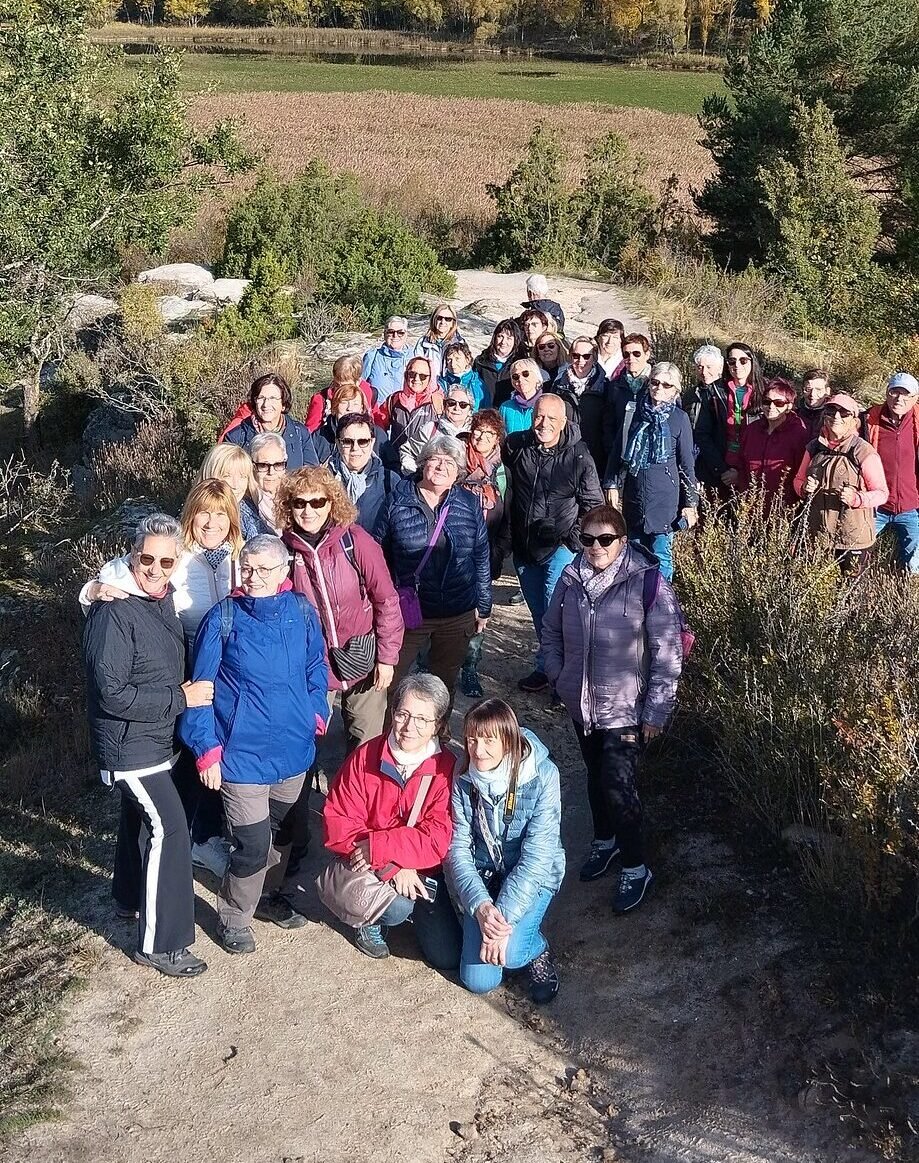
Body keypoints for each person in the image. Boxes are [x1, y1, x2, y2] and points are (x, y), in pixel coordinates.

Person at [180, 534, 329, 953]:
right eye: (246, 568)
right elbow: (201, 689)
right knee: (251, 843)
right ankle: (234, 917)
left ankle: (267, 896)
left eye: (264, 569)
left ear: (284, 571)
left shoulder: (302, 612)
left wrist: (316, 713)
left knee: (283, 833)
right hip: (240, 756)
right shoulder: (223, 618)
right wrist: (206, 750)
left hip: (294, 751)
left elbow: (316, 667)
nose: (253, 577)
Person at [83, 513, 214, 977]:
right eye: (146, 559)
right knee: (171, 830)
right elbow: (112, 693)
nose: (155, 568)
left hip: (154, 739)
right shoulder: (114, 610)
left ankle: (127, 897)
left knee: (138, 820)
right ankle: (162, 944)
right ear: (131, 555)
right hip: (128, 747)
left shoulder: (161, 598)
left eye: (166, 561)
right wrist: (182, 698)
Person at [542, 504, 683, 913]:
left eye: (605, 539)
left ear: (622, 540)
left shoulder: (647, 581)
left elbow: (667, 651)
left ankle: (636, 866)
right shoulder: (571, 578)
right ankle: (605, 842)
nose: (596, 547)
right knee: (594, 775)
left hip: (626, 707)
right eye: (588, 539)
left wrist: (656, 711)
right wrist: (558, 674)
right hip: (582, 705)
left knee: (618, 785)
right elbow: (550, 630)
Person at [322, 674, 456, 960]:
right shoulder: (365, 757)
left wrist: (383, 848)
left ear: (438, 725)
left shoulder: (446, 769)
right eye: (403, 714)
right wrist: (391, 867)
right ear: (392, 712)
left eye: (422, 719)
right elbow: (339, 823)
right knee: (398, 908)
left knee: (446, 956)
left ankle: (407, 904)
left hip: (421, 868)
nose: (409, 727)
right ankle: (371, 920)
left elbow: (438, 840)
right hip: (368, 863)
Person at [441, 699, 564, 1002]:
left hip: (533, 877)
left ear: (508, 740)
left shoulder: (543, 775)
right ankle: (496, 933)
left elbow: (538, 857)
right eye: (471, 739)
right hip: (485, 876)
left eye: (488, 740)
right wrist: (481, 907)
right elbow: (458, 849)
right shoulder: (462, 775)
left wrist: (501, 920)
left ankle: (535, 948)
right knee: (479, 981)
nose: (478, 750)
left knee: (510, 954)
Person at [276, 466, 403, 752]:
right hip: (312, 664)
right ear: (289, 506)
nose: (308, 510)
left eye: (317, 502)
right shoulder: (283, 552)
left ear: (332, 503)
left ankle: (355, 783)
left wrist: (387, 658)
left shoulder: (355, 541)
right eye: (299, 503)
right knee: (305, 739)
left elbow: (386, 600)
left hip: (361, 657)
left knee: (365, 743)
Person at [374, 434, 492, 721]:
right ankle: (389, 733)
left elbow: (480, 555)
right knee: (390, 683)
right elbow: (378, 556)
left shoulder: (468, 503)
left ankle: (437, 732)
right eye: (435, 459)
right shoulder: (397, 501)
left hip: (457, 611)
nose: (441, 466)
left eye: (449, 462)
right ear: (422, 463)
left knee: (443, 683)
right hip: (409, 613)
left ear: (459, 471)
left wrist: (484, 604)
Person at [503, 393, 604, 693]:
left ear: (563, 422)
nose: (543, 423)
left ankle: (566, 676)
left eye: (551, 418)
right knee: (539, 612)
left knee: (556, 610)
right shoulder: (517, 446)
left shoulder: (578, 455)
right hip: (525, 547)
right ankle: (546, 666)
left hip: (560, 547)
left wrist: (571, 541)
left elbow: (593, 504)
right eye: (538, 416)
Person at [605, 363, 698, 582]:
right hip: (635, 496)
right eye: (655, 382)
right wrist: (611, 483)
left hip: (665, 500)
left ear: (675, 390)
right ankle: (638, 597)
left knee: (661, 555)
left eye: (666, 385)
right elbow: (618, 450)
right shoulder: (633, 412)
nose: (659, 388)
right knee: (634, 556)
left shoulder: (679, 418)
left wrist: (690, 503)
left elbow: (687, 465)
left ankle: (660, 597)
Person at [794, 392, 889, 575]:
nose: (836, 416)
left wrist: (857, 499)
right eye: (831, 411)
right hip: (818, 536)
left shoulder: (863, 450)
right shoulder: (814, 447)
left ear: (854, 420)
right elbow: (798, 481)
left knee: (851, 589)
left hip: (854, 539)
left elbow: (881, 493)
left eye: (844, 413)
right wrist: (804, 487)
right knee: (816, 586)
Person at [458, 409, 510, 698]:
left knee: (479, 614)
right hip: (452, 552)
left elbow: (507, 518)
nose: (480, 437)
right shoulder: (457, 462)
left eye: (488, 433)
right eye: (477, 431)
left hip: (484, 554)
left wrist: (498, 553)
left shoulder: (502, 473)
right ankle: (428, 665)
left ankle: (470, 668)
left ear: (497, 438)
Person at [863, 372, 919, 572]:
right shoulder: (868, 420)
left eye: (906, 394)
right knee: (856, 553)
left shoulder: (917, 422)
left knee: (913, 566)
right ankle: (858, 587)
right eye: (894, 392)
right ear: (887, 393)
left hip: (912, 507)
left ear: (915, 398)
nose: (899, 398)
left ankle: (906, 590)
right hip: (876, 506)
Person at [222, 373, 319, 470]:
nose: (266, 404)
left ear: (283, 404)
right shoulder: (236, 438)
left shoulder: (300, 433)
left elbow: (311, 473)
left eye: (272, 398)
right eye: (261, 398)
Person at [739, 377, 809, 508]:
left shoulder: (798, 434)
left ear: (789, 406)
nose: (771, 407)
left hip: (783, 506)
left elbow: (801, 473)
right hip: (750, 504)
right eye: (767, 402)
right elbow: (742, 465)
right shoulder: (751, 430)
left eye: (779, 403)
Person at [326, 412, 399, 534]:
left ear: (372, 442)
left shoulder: (389, 481)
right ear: (338, 443)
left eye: (362, 441)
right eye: (347, 441)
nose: (355, 448)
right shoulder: (324, 480)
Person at [377, 356, 444, 477]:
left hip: (426, 468)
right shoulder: (394, 399)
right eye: (412, 374)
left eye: (423, 376)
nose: (416, 379)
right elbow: (379, 425)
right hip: (396, 466)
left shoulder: (438, 402)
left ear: (431, 378)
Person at [553, 336, 609, 475]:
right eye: (576, 356)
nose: (581, 361)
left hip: (595, 459)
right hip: (565, 459)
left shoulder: (606, 387)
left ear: (594, 358)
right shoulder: (558, 386)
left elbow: (609, 427)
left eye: (586, 356)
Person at [603, 333, 653, 476]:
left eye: (636, 353)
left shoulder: (657, 385)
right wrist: (611, 449)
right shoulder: (615, 386)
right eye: (626, 354)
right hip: (620, 458)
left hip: (647, 462)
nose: (631, 358)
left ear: (647, 354)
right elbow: (608, 422)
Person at [198, 443, 271, 539]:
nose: (235, 485)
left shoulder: (252, 513)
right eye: (227, 476)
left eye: (243, 477)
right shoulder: (194, 516)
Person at [689, 344, 730, 489]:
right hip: (698, 462)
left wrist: (722, 468)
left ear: (720, 368)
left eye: (709, 367)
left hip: (724, 464)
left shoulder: (728, 394)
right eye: (700, 367)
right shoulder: (691, 395)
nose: (704, 372)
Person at [305, 354, 375, 433]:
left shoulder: (367, 393)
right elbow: (311, 431)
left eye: (346, 386)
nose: (340, 389)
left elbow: (375, 421)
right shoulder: (321, 399)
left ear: (357, 382)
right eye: (337, 384)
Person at [311, 382, 378, 463]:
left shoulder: (376, 434)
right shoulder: (319, 437)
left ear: (362, 409)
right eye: (344, 402)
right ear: (334, 407)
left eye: (355, 404)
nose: (349, 408)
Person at [361, 316, 412, 405]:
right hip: (377, 411)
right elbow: (360, 385)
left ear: (406, 335)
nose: (395, 335)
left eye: (400, 332)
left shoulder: (414, 357)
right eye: (391, 332)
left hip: (405, 410)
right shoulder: (372, 356)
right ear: (384, 334)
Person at [474, 318, 523, 408]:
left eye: (509, 338)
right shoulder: (481, 362)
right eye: (500, 336)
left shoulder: (520, 364)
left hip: (510, 411)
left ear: (515, 341)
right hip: (484, 411)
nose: (503, 342)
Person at [248, 431, 288, 533]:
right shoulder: (247, 504)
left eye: (278, 464)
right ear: (252, 466)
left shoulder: (296, 496)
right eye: (263, 465)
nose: (271, 472)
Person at [413, 303, 461, 381]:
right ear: (434, 320)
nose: (443, 322)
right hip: (430, 384)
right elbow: (417, 367)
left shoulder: (459, 343)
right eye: (439, 318)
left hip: (452, 384)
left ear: (453, 323)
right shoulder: (423, 343)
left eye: (448, 319)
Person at [498, 358, 543, 435]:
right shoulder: (505, 408)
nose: (520, 379)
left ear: (537, 376)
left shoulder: (546, 404)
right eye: (515, 376)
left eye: (525, 374)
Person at [437, 340, 488, 408]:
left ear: (467, 359)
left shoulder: (478, 383)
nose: (453, 364)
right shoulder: (442, 384)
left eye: (457, 359)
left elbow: (486, 408)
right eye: (449, 360)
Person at [796, 368, 832, 437]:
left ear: (827, 391)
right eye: (808, 389)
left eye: (818, 390)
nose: (812, 394)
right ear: (802, 390)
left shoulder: (835, 417)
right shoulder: (793, 415)